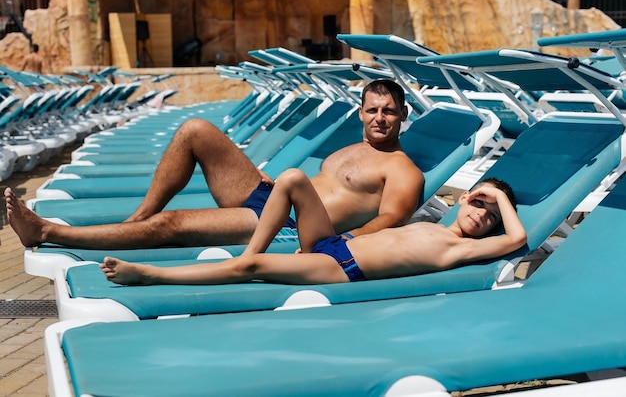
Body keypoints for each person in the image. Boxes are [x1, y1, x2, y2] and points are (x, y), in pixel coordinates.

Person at [5, 79, 424, 249]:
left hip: (285, 226)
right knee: (195, 130)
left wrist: (345, 245)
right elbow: (322, 186)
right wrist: (270, 181)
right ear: (361, 113)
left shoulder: (404, 170)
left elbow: (392, 218)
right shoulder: (351, 150)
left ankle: (47, 231)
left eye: (389, 111)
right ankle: (139, 216)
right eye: (372, 110)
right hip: (272, 194)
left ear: (404, 114)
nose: (380, 118)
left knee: (174, 225)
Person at [100, 174, 527, 286]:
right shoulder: (433, 221)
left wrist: (497, 195)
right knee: (290, 180)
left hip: (340, 267)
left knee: (250, 270)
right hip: (334, 244)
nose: (482, 216)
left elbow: (516, 240)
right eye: (478, 204)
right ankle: (251, 249)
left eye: (489, 217)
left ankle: (152, 275)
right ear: (463, 199)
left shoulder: (460, 250)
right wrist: (480, 191)